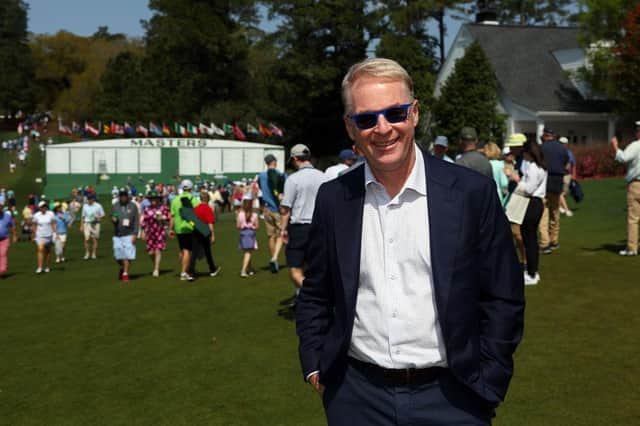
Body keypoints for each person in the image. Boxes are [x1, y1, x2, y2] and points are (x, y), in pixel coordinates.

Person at [297, 58, 524, 425]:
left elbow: (503, 295)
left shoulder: (471, 193)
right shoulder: (334, 199)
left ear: (415, 114)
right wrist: (314, 363)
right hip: (356, 397)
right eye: (367, 119)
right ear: (350, 128)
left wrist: (491, 376)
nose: (383, 129)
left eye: (395, 113)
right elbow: (316, 292)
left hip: (453, 397)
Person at [280, 144, 326, 295]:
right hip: (320, 227)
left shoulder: (293, 179)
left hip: (300, 228)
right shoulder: (323, 176)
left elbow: (285, 209)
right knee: (313, 267)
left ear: (294, 158)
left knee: (295, 270)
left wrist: (282, 229)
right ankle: (308, 298)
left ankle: (312, 297)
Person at [505, 141, 548, 285]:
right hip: (536, 202)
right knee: (530, 239)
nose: (523, 155)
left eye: (525, 152)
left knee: (529, 239)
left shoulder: (535, 167)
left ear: (530, 153)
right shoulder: (539, 166)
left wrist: (517, 179)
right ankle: (532, 271)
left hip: (533, 202)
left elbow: (529, 189)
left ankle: (532, 273)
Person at [538, 128, 569, 254]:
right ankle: (554, 240)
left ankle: (544, 243)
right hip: (557, 180)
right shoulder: (562, 148)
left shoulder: (542, 148)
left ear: (545, 135)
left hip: (545, 180)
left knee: (544, 211)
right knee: (555, 211)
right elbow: (566, 163)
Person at [611, 121, 640, 256]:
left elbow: (624, 158)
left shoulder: (636, 145)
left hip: (636, 184)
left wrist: (616, 147)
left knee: (633, 218)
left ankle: (632, 248)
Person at [258, 154, 286, 273]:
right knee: (281, 234)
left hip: (266, 207)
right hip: (277, 208)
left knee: (271, 236)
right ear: (274, 161)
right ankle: (275, 258)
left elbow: (260, 187)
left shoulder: (261, 176)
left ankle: (274, 260)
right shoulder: (280, 175)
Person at [170, 179, 198, 281]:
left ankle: (184, 269)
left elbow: (172, 216)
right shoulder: (194, 199)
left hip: (178, 228)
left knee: (182, 250)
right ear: (191, 188)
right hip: (188, 228)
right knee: (187, 250)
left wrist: (170, 229)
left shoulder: (175, 200)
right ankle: (184, 272)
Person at [190, 190, 221, 277]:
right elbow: (210, 223)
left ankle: (190, 271)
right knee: (207, 251)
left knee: (194, 252)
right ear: (208, 199)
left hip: (195, 231)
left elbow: (191, 221)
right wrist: (213, 235)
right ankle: (212, 269)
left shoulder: (195, 208)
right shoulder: (208, 209)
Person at [111, 189, 139, 282]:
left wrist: (135, 234)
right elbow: (112, 216)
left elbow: (136, 221)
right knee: (118, 255)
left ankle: (125, 274)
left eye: (124, 196)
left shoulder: (133, 206)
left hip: (129, 234)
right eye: (121, 196)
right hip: (117, 234)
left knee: (127, 255)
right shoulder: (115, 206)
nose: (123, 198)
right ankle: (122, 267)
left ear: (127, 196)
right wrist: (113, 220)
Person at [141, 190, 170, 277]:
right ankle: (155, 265)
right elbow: (144, 221)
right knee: (150, 252)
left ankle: (156, 269)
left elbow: (168, 219)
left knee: (158, 251)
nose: (153, 200)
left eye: (155, 198)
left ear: (158, 199)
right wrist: (142, 232)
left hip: (160, 232)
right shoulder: (146, 209)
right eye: (152, 198)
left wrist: (163, 218)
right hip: (150, 232)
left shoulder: (163, 208)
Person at [237, 192, 259, 278]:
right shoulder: (254, 215)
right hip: (251, 233)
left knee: (247, 252)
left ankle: (249, 268)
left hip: (243, 233)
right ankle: (243, 270)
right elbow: (257, 227)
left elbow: (238, 226)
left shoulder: (240, 214)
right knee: (248, 252)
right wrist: (251, 226)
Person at [32, 201, 57, 274]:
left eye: (45, 206)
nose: (44, 208)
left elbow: (53, 223)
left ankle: (47, 266)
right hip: (40, 235)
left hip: (49, 235)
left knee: (48, 251)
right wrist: (33, 235)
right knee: (40, 249)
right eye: (42, 207)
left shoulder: (51, 214)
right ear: (39, 208)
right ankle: (40, 267)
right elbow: (34, 225)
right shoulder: (36, 215)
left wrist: (56, 232)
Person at [80, 193, 104, 260]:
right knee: (86, 239)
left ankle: (94, 253)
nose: (89, 200)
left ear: (93, 199)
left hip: (96, 224)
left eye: (90, 199)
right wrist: (81, 225)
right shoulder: (85, 206)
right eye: (88, 199)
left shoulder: (98, 206)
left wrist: (97, 218)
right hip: (87, 224)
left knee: (94, 239)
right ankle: (87, 253)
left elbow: (103, 215)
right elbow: (83, 216)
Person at [558, 136, 576, 217]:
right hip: (559, 175)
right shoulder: (557, 153)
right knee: (560, 193)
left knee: (564, 192)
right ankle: (566, 210)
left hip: (567, 175)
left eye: (564, 144)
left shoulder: (569, 153)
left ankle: (559, 206)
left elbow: (573, 164)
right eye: (561, 143)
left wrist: (574, 175)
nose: (562, 145)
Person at [0, 205, 17, 277]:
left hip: (4, 239)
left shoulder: (7, 216)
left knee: (2, 254)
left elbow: (13, 226)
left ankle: (2, 270)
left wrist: (14, 236)